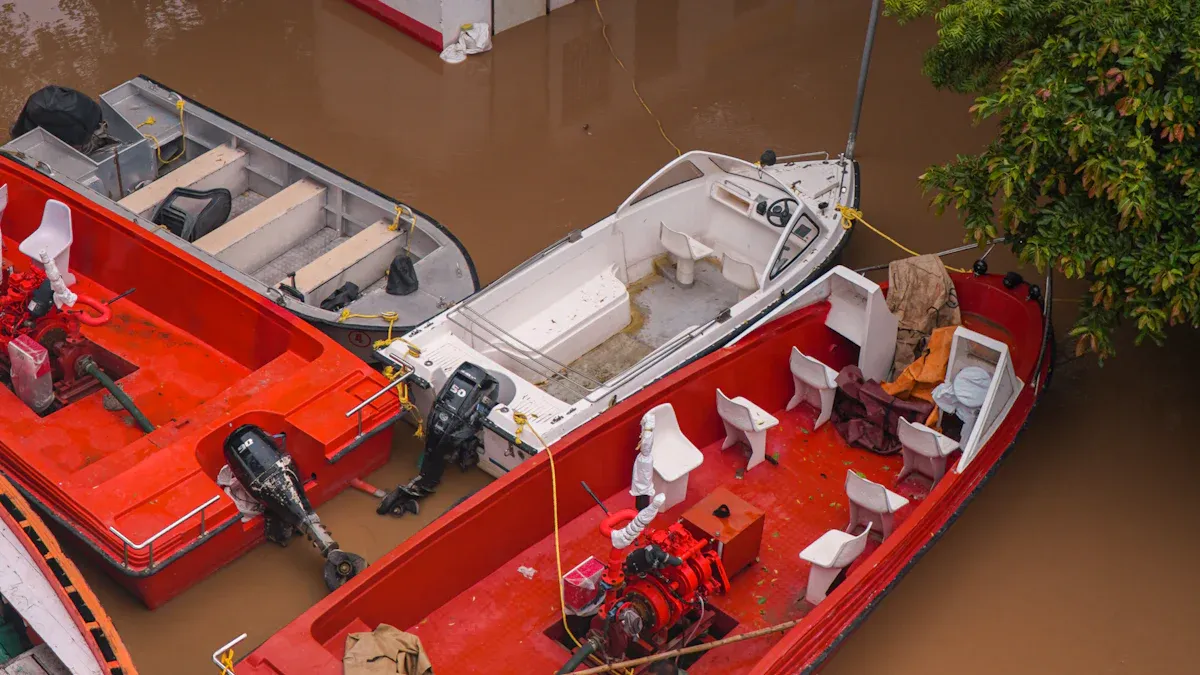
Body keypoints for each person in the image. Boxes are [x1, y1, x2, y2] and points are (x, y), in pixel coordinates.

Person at [631, 411, 656, 510]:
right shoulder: (648, 433)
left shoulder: (648, 436)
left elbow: (646, 444)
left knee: (642, 485)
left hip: (644, 464)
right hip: (645, 462)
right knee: (643, 483)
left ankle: (641, 507)